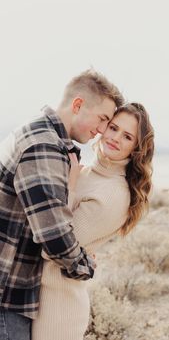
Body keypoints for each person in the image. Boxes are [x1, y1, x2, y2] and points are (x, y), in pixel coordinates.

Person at [0, 69, 124, 340]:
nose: (102, 131)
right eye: (103, 119)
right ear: (78, 104)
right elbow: (53, 236)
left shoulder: (45, 138)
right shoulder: (42, 145)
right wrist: (85, 265)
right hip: (6, 297)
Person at [32, 102, 155, 340]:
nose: (116, 138)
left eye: (127, 136)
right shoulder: (86, 172)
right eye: (113, 128)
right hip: (36, 297)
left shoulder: (113, 194)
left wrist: (70, 186)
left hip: (57, 309)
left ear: (136, 148)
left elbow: (54, 245)